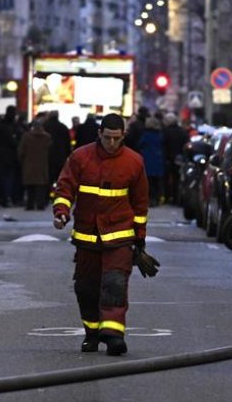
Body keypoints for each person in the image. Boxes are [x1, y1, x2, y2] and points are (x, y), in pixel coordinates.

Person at [51, 113, 149, 356]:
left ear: (123, 136)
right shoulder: (80, 157)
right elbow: (65, 187)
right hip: (87, 235)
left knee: (114, 284)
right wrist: (61, 212)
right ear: (99, 134)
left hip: (119, 236)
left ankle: (114, 335)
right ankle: (92, 333)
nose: (112, 144)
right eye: (107, 138)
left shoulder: (134, 162)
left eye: (117, 139)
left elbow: (140, 203)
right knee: (86, 288)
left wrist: (140, 237)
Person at [18, 118, 52, 210]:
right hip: (42, 164)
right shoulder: (47, 137)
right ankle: (40, 204)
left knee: (30, 185)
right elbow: (50, 150)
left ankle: (30, 204)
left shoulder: (26, 136)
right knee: (41, 185)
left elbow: (21, 151)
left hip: (28, 163)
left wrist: (21, 161)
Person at [162, 113, 189, 205]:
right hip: (179, 159)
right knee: (178, 179)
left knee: (166, 179)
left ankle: (167, 197)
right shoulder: (182, 131)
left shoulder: (165, 132)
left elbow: (163, 145)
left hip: (168, 159)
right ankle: (176, 198)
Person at [138, 117, 165, 206]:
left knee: (148, 182)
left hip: (148, 160)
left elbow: (140, 144)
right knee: (156, 182)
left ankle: (150, 199)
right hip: (158, 160)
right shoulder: (160, 135)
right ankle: (156, 199)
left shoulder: (146, 135)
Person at [44, 110, 72, 183]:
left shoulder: (45, 126)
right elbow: (67, 143)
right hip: (60, 157)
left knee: (48, 179)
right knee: (59, 179)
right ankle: (57, 193)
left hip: (47, 157)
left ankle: (48, 193)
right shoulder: (63, 127)